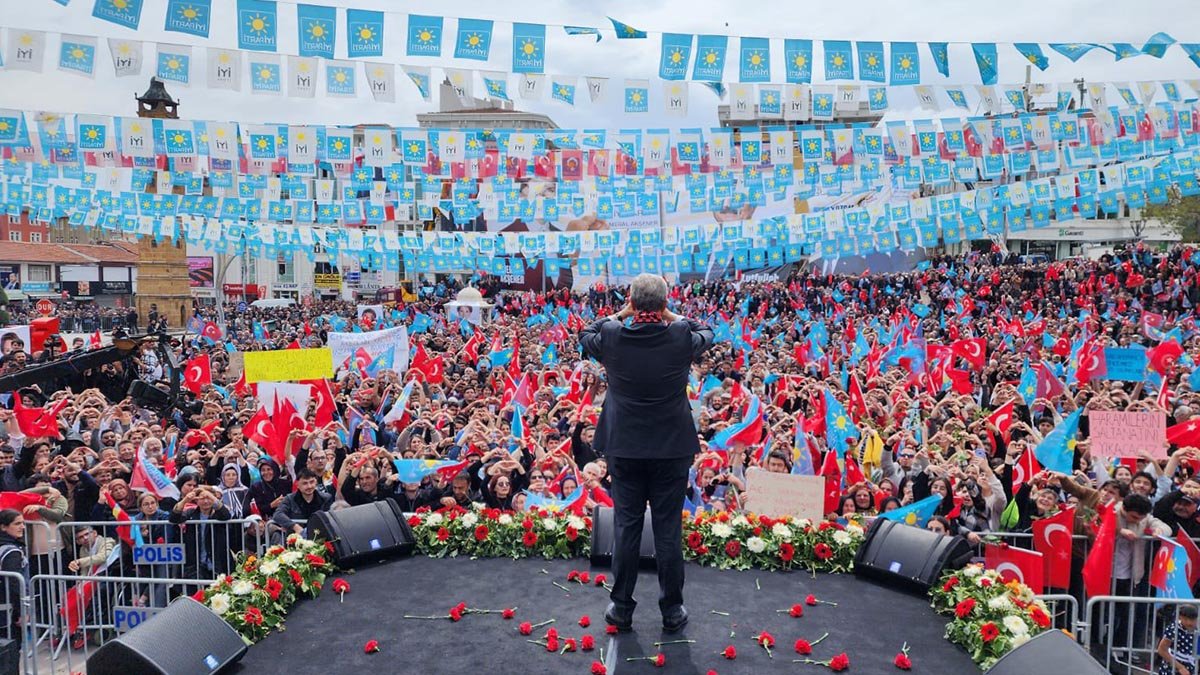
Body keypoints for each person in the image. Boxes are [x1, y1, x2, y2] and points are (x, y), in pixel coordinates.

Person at [581, 273, 713, 633]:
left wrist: (622, 314)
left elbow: (585, 333)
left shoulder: (612, 335)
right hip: (670, 448)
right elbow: (708, 331)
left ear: (633, 302)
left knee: (627, 527)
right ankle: (672, 610)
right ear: (665, 304)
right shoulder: (680, 335)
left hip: (625, 447)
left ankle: (621, 606)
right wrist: (671, 316)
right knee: (668, 530)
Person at [0, 509, 26, 651]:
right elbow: (14, 583)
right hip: (7, 613)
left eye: (22, 523)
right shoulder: (11, 552)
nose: (22, 527)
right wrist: (21, 611)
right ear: (3, 527)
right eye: (17, 524)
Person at [1157, 604, 1199, 675]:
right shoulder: (1174, 629)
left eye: (1192, 619)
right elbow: (1161, 650)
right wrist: (1180, 667)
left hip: (1191, 666)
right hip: (1172, 667)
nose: (1189, 622)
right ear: (1180, 617)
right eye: (1185, 619)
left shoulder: (1197, 630)